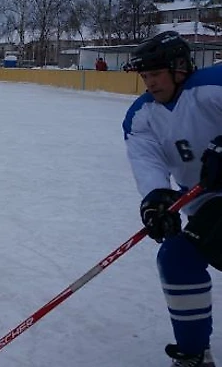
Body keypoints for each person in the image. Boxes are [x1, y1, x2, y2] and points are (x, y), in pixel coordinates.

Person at [123, 30, 221, 366]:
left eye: (156, 74)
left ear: (179, 68)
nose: (149, 83)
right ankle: (194, 355)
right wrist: (156, 199)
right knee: (176, 260)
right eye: (145, 76)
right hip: (207, 201)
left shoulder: (211, 86)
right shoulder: (142, 115)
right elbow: (146, 160)